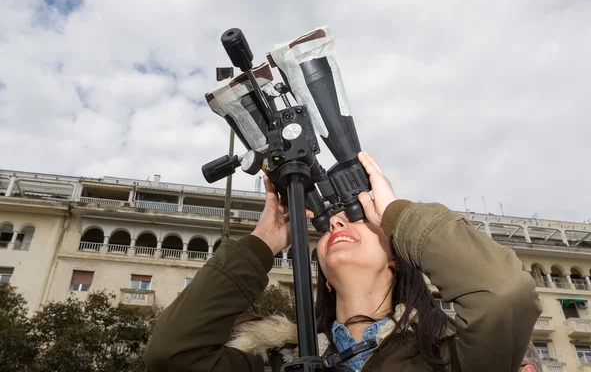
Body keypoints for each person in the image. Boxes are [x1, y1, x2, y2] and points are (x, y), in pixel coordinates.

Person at [143, 152, 542, 371]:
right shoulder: (277, 361)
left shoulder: (449, 358)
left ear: (398, 261)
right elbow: (172, 355)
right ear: (326, 281)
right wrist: (263, 242)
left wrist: (396, 214)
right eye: (328, 223)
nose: (335, 220)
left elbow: (503, 294)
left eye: (354, 218)